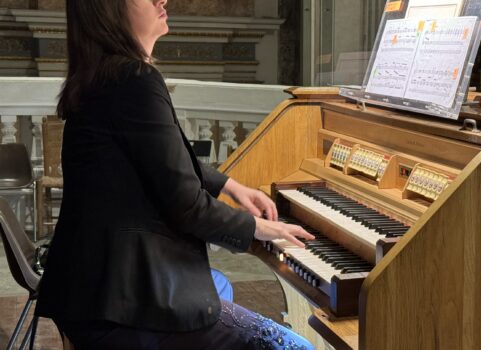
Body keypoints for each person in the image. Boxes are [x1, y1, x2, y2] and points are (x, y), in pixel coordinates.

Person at [34, 0, 315, 349]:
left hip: (89, 288)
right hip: (121, 304)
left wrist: (231, 185)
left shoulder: (104, 75)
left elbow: (164, 158)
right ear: (108, 9)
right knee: (296, 346)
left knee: (217, 285)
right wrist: (262, 230)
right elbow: (189, 207)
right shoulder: (133, 80)